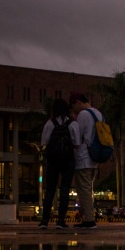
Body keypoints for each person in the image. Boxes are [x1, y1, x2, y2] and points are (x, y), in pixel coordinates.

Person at [39, 97, 79, 230]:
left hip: (53, 160)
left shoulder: (49, 123)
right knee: (65, 189)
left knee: (50, 189)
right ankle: (60, 221)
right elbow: (76, 143)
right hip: (68, 160)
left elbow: (43, 142)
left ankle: (44, 221)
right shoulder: (72, 124)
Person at [69, 91, 103, 229]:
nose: (73, 110)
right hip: (95, 157)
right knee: (87, 189)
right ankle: (87, 218)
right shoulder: (98, 113)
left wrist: (74, 119)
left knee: (84, 190)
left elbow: (78, 135)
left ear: (78, 102)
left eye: (73, 106)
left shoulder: (83, 114)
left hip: (84, 157)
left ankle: (89, 220)